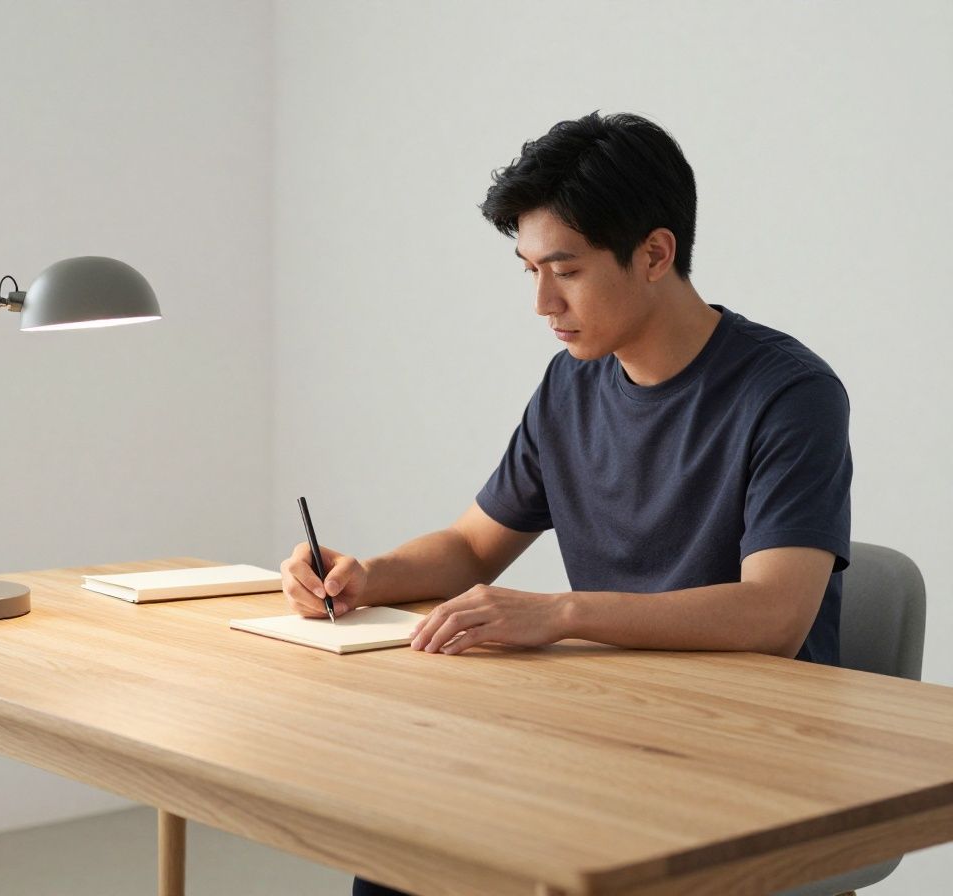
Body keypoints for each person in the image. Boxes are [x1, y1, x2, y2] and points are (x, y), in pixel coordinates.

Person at [279, 111, 852, 896]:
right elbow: (475, 547)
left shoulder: (788, 393)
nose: (543, 303)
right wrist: (362, 576)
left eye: (568, 270)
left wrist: (562, 614)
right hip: (610, 726)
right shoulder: (572, 385)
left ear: (655, 253)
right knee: (407, 850)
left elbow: (775, 616)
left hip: (748, 754)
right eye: (529, 271)